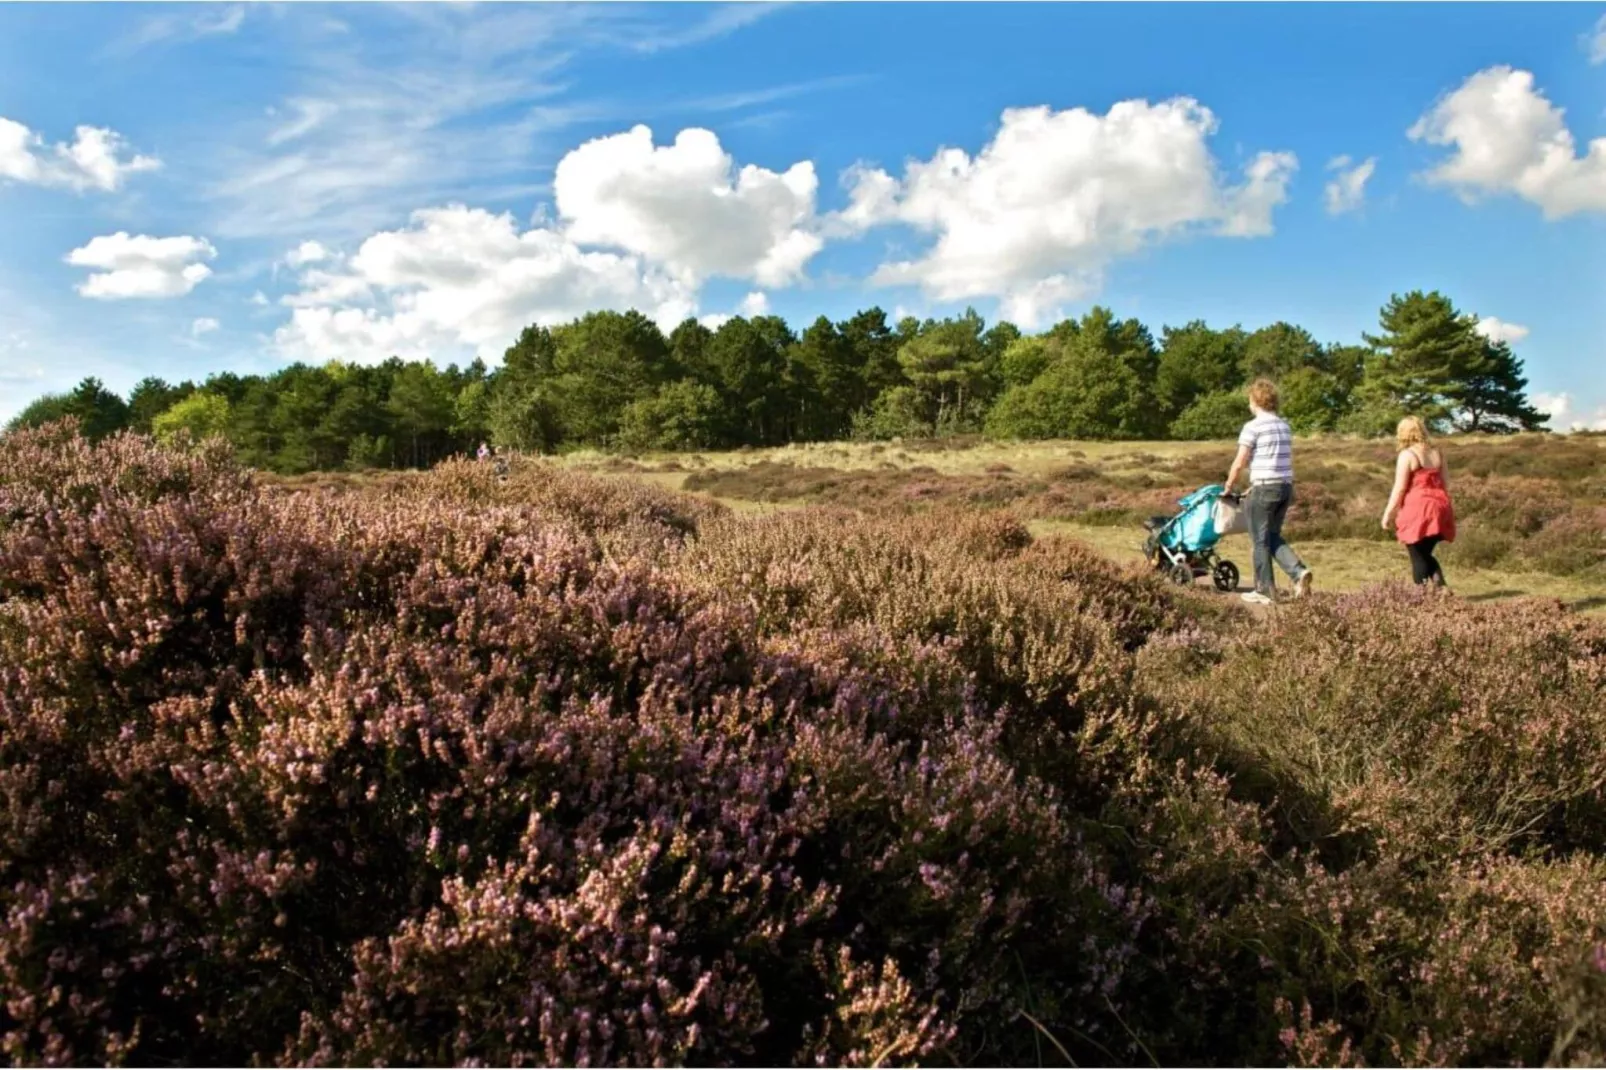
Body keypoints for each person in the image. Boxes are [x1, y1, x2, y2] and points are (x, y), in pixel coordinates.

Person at [1225, 378, 1314, 606]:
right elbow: (1274, 460)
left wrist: (1229, 485)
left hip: (1264, 489)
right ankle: (1298, 572)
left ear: (1255, 401)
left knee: (1260, 540)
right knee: (1272, 535)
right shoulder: (1284, 425)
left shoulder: (1253, 427)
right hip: (1284, 487)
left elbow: (1240, 461)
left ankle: (1264, 590)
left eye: (1249, 400)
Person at [1381, 416, 1455, 587]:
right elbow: (1446, 483)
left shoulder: (1407, 455)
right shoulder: (1438, 452)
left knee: (1417, 555)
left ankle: (1420, 597)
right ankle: (1441, 588)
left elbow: (1399, 488)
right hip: (1440, 505)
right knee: (1424, 553)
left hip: (1418, 508)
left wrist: (1388, 513)